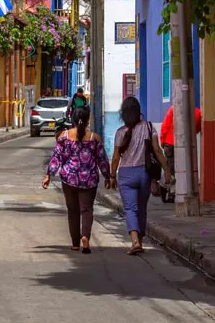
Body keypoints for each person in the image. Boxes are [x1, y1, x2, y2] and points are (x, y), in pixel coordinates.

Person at [109, 96, 172, 255]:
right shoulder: (149, 127)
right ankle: (141, 242)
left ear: (123, 114)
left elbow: (116, 157)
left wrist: (112, 176)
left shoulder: (120, 132)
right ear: (138, 112)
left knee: (130, 208)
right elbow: (157, 150)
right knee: (142, 208)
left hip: (126, 175)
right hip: (144, 174)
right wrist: (167, 170)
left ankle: (135, 241)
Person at [42, 106, 110, 253]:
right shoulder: (94, 138)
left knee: (72, 211)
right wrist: (108, 176)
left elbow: (56, 158)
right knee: (86, 209)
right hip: (89, 180)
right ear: (87, 119)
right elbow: (102, 160)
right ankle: (85, 237)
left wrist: (49, 175)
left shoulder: (64, 137)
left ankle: (75, 243)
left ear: (72, 118)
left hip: (69, 179)